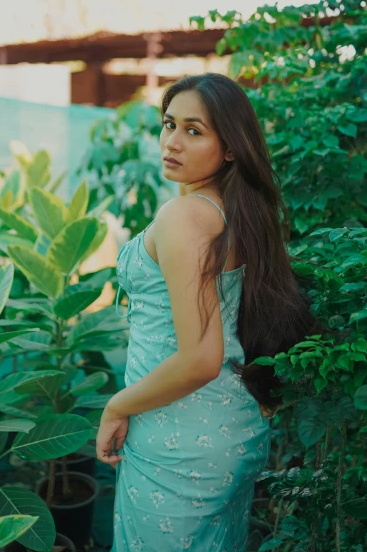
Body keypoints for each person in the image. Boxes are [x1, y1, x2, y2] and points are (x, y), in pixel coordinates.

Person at [96, 73, 316, 551]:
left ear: (232, 147)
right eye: (169, 124)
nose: (172, 142)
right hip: (228, 429)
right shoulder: (232, 211)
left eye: (194, 131)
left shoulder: (186, 217)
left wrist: (117, 405)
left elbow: (199, 358)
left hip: (180, 438)